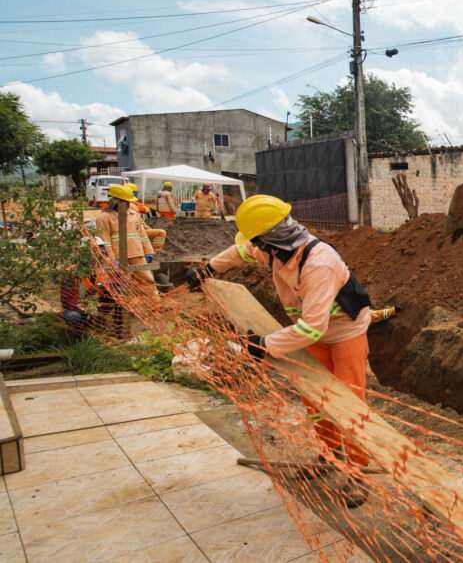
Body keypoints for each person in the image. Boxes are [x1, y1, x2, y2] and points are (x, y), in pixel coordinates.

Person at [188, 194, 373, 507]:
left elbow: (313, 327)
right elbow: (241, 250)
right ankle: (328, 456)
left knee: (350, 403)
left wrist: (264, 345)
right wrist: (208, 268)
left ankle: (357, 473)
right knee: (315, 398)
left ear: (270, 239)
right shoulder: (275, 248)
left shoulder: (318, 264)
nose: (256, 248)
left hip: (344, 334)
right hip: (309, 333)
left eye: (258, 242)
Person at [94, 184, 157, 296]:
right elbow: (105, 241)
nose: (128, 204)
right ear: (115, 201)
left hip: (137, 254)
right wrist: (112, 260)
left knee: (148, 281)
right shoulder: (103, 218)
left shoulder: (134, 215)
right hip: (120, 257)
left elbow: (142, 234)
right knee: (125, 285)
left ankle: (154, 307)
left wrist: (149, 251)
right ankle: (130, 309)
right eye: (125, 202)